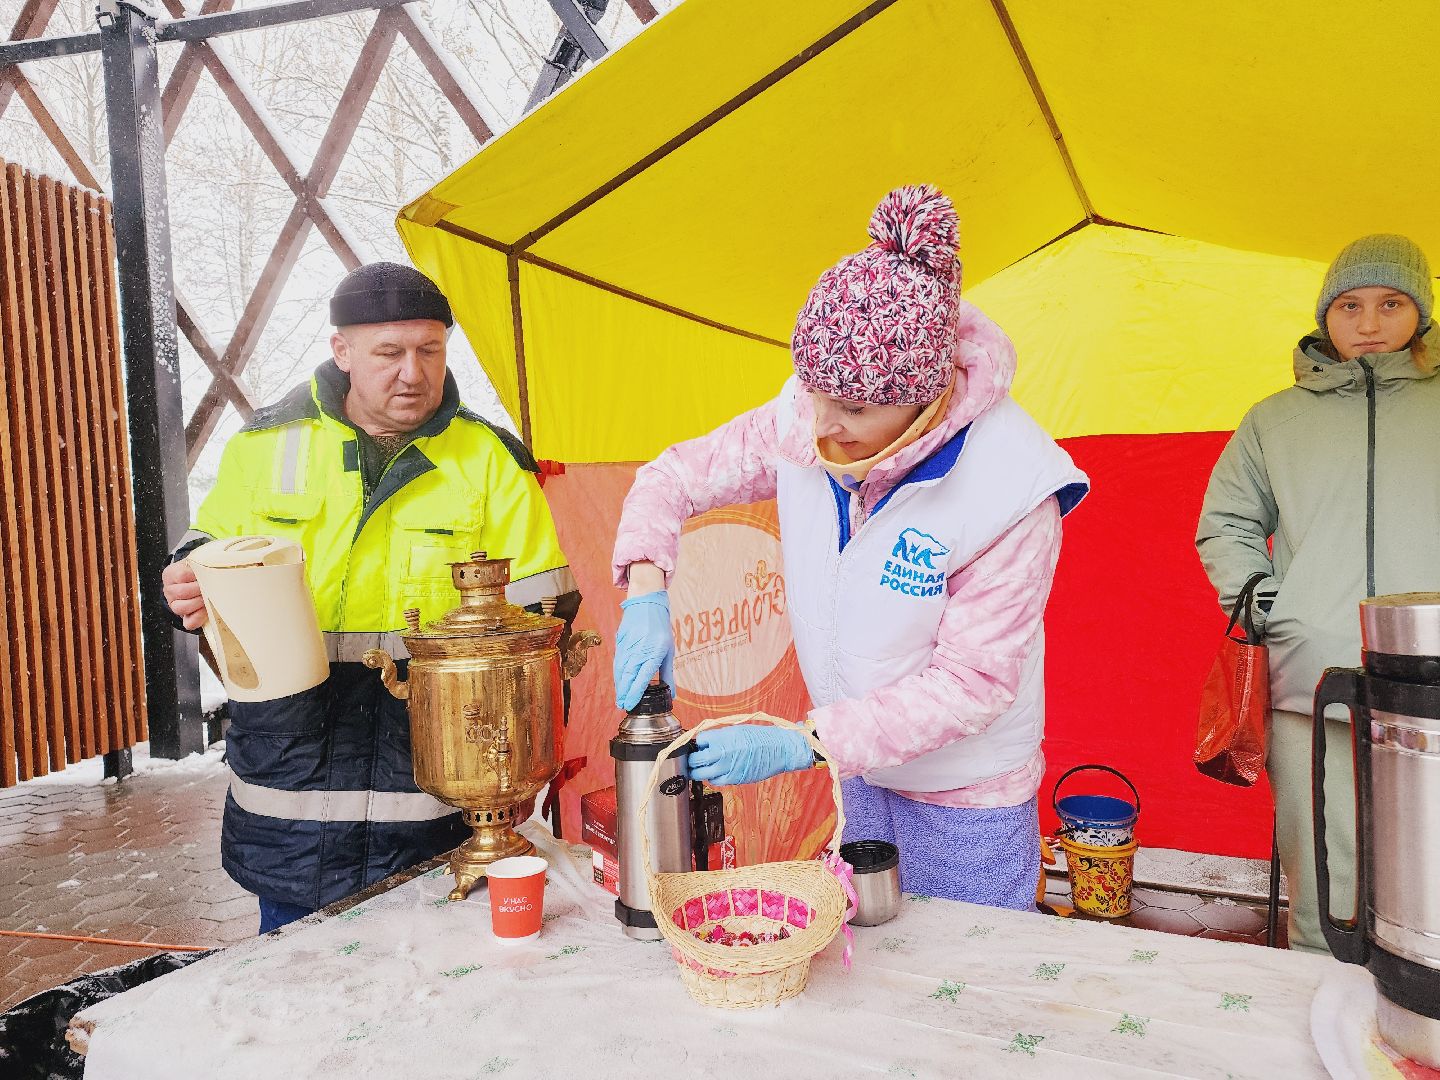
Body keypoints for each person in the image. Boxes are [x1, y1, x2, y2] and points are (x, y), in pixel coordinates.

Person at [610, 186, 1089, 909]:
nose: (822, 425)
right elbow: (672, 477)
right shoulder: (808, 411)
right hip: (857, 768)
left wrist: (804, 743)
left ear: (924, 394)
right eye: (814, 393)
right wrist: (646, 587)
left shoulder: (1013, 484)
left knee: (970, 987)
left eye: (854, 409)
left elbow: (973, 685)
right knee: (876, 961)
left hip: (964, 796)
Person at [161, 263, 578, 933]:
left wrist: (516, 770)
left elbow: (543, 625)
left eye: (429, 350)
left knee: (437, 985)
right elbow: (207, 549)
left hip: (433, 798)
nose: (412, 372)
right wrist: (184, 574)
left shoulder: (493, 462)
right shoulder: (265, 447)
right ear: (342, 351)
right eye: (389, 353)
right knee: (296, 985)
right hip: (292, 785)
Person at [1197, 234, 1440, 954]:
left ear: (1420, 313)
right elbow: (1227, 524)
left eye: (1390, 303)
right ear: (1325, 318)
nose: (1369, 323)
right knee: (1323, 884)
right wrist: (1269, 604)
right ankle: (1316, 1028)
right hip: (1312, 686)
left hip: (1432, 684)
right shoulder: (1274, 419)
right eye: (1350, 306)